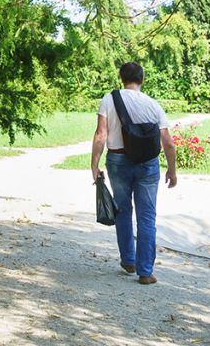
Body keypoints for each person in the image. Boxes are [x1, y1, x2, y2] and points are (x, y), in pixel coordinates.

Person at [90, 61, 177, 285]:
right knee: (147, 216)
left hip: (118, 161)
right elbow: (167, 142)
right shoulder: (153, 104)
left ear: (122, 78)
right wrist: (172, 170)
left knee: (123, 210)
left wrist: (94, 164)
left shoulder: (110, 99)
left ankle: (128, 261)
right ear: (142, 79)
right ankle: (145, 272)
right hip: (148, 164)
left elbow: (101, 134)